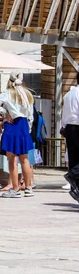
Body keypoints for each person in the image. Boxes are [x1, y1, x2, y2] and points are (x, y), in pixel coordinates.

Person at [0, 72, 35, 198]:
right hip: (24, 125)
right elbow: (31, 114)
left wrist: (5, 112)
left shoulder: (7, 93)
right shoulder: (27, 93)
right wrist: (29, 128)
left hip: (12, 125)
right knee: (25, 159)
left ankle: (15, 189)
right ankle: (28, 188)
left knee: (12, 160)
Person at [62, 72, 79, 203]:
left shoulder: (69, 94)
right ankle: (72, 174)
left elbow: (64, 112)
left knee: (74, 158)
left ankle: (76, 190)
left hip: (69, 128)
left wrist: (63, 126)